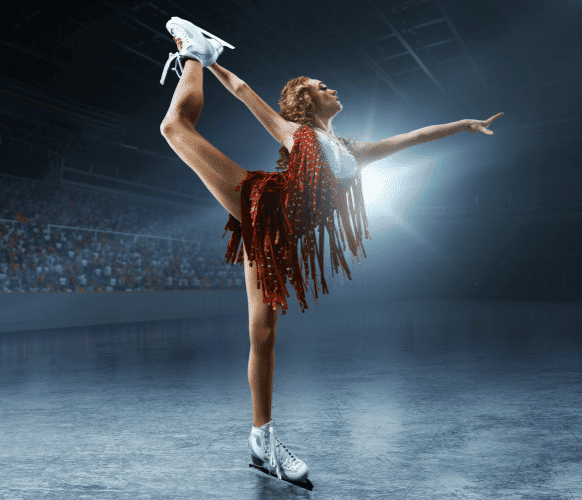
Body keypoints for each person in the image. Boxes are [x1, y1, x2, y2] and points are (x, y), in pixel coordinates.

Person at [158, 16, 502, 483]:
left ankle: (261, 441)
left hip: (273, 240)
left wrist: (462, 125)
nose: (331, 87)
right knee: (174, 127)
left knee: (263, 336)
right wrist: (215, 65)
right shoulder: (295, 133)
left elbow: (414, 138)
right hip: (259, 200)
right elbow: (242, 91)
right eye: (322, 86)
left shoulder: (350, 150)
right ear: (306, 100)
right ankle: (194, 51)